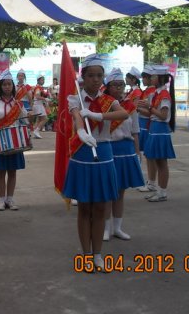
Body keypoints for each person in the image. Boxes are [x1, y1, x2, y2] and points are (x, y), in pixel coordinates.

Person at [62, 54, 128, 272]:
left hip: (104, 152)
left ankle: (98, 254)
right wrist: (81, 131)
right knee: (84, 207)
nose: (96, 79)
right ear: (84, 76)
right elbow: (77, 116)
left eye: (99, 75)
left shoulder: (109, 100)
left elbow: (124, 114)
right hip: (83, 153)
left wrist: (98, 116)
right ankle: (86, 255)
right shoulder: (76, 99)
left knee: (100, 207)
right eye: (91, 75)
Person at [103, 68, 144, 241]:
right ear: (108, 86)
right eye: (115, 85)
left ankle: (117, 228)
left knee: (120, 193)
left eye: (121, 84)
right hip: (109, 149)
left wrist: (137, 152)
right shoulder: (103, 104)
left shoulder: (129, 106)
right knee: (108, 192)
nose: (119, 88)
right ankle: (105, 228)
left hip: (126, 150)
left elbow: (135, 131)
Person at [0, 69, 29, 211]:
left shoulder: (18, 103)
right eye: (4, 84)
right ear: (0, 86)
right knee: (1, 171)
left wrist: (29, 115)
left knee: (12, 171)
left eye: (9, 84)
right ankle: (2, 200)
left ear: (13, 86)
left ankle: (10, 199)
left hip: (14, 140)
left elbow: (25, 121)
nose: (7, 87)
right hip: (0, 140)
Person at [140, 65, 176, 202]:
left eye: (154, 77)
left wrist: (149, 107)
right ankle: (159, 191)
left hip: (160, 130)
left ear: (160, 78)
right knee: (157, 161)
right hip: (155, 129)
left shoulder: (164, 95)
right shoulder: (157, 93)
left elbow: (163, 116)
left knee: (162, 163)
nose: (151, 79)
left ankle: (162, 192)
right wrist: (139, 108)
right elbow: (152, 113)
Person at [136, 67, 158, 194]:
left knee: (150, 156)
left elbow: (151, 112)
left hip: (147, 125)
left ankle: (152, 183)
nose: (142, 80)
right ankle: (150, 182)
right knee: (148, 155)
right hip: (143, 124)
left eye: (144, 77)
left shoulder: (152, 92)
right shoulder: (147, 91)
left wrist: (137, 108)